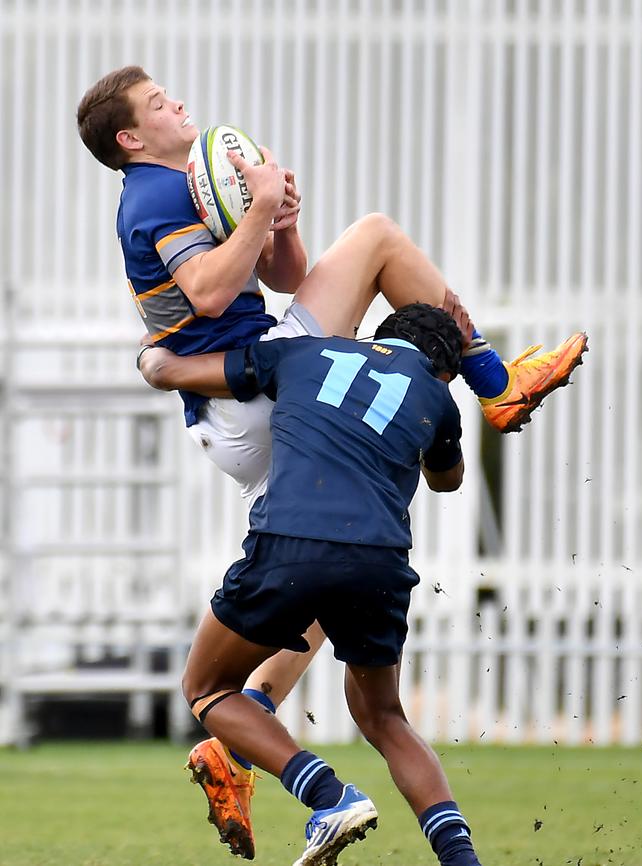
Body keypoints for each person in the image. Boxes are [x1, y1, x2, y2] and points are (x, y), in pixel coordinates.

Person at [77, 65, 587, 859]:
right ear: (132, 139)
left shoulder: (192, 176)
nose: (179, 102)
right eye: (158, 104)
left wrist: (276, 226)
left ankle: (239, 732)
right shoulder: (150, 194)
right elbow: (211, 294)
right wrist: (262, 207)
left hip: (252, 392)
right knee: (380, 235)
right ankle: (497, 383)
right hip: (243, 387)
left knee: (320, 572)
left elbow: (275, 276)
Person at [166, 304, 486, 866]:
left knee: (207, 688)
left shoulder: (303, 352)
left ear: (376, 337)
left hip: (291, 542)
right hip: (381, 559)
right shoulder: (438, 397)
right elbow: (447, 480)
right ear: (444, 369)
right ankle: (462, 860)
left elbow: (193, 373)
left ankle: (327, 796)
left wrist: (156, 364)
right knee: (384, 718)